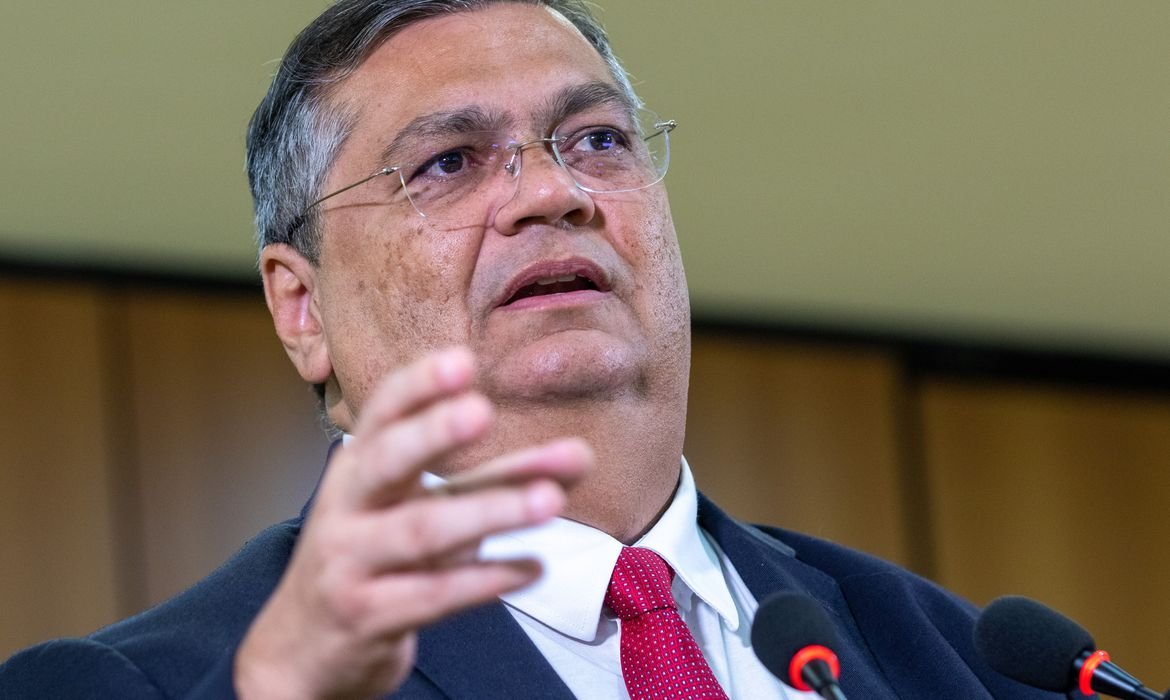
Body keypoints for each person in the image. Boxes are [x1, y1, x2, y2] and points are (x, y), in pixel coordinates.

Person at [0, 1, 1074, 698]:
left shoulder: (980, 663)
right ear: (302, 307)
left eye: (598, 141)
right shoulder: (147, 685)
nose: (553, 193)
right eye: (450, 161)